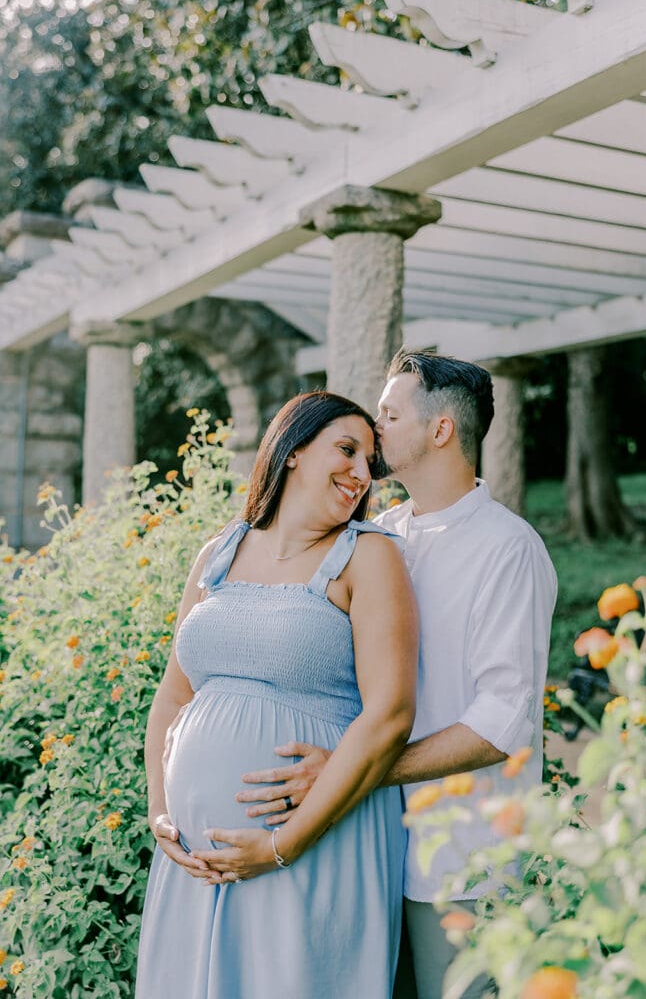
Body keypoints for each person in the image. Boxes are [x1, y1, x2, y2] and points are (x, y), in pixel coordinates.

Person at [237, 351, 557, 999]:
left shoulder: (507, 548)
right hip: (358, 848)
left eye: (387, 415)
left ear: (440, 429)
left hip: (462, 861)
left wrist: (356, 765)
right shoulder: (376, 537)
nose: (372, 431)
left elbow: (502, 723)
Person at [137, 391, 419, 999]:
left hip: (314, 842)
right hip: (193, 862)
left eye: (370, 461)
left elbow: (390, 715)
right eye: (346, 449)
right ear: (291, 450)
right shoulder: (217, 553)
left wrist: (279, 846)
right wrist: (162, 810)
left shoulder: (368, 557)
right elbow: (172, 696)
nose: (360, 473)